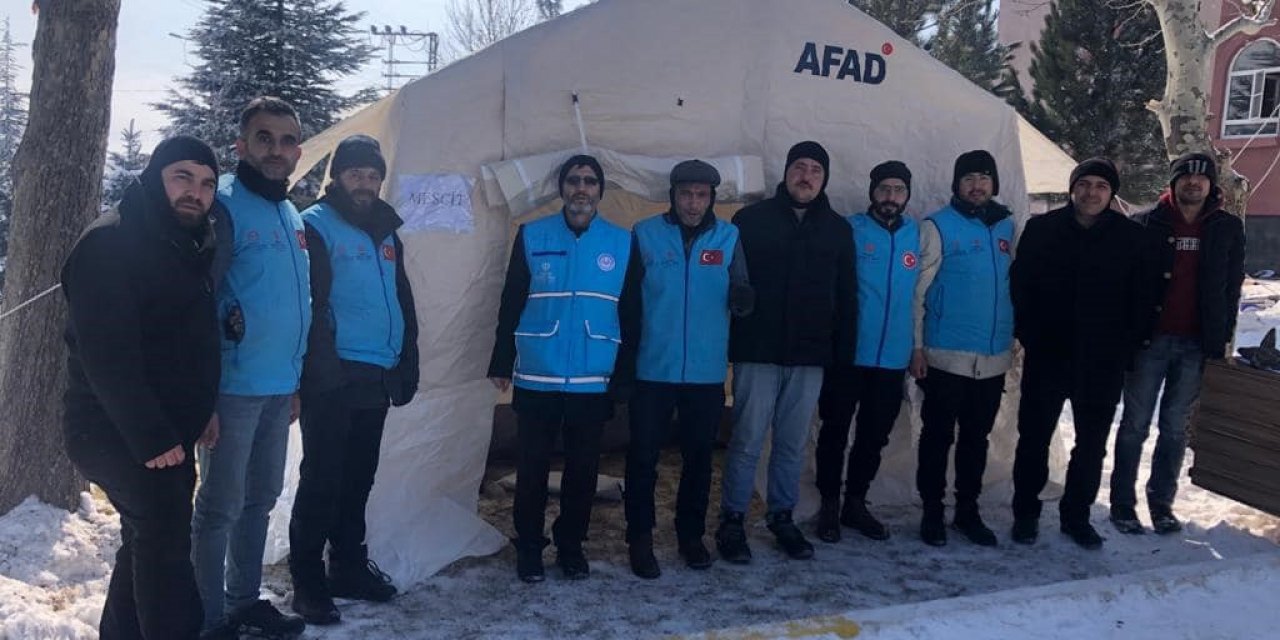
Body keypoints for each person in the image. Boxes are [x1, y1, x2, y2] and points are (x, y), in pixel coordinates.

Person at [61, 136, 222, 640]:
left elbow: (186, 340)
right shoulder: (111, 242)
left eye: (207, 183)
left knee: (146, 541)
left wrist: (202, 411)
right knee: (164, 545)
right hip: (116, 429)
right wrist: (152, 435)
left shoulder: (185, 240)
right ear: (156, 178)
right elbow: (107, 356)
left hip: (168, 429)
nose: (195, 192)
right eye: (183, 177)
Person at [190, 96, 310, 639]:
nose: (276, 150)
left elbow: (296, 301)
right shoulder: (225, 205)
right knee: (219, 507)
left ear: (299, 151)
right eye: (264, 138)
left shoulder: (289, 211)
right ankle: (207, 617)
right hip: (231, 389)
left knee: (259, 502)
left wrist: (296, 382)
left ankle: (242, 602)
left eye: (286, 141)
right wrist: (202, 394)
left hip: (279, 386)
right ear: (241, 146)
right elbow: (196, 296)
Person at [487, 154, 636, 583]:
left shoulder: (621, 242)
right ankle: (530, 547)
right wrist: (501, 360)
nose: (582, 189)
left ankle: (571, 546)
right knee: (532, 469)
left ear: (600, 191)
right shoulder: (532, 235)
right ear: (562, 188)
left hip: (594, 377)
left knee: (583, 472)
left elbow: (632, 311)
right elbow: (511, 299)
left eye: (590, 181)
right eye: (574, 181)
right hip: (538, 373)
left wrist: (624, 375)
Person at [289, 135, 419, 623]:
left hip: (377, 374)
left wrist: (407, 362)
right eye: (355, 175)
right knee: (322, 478)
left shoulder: (386, 230)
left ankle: (346, 564)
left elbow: (402, 301)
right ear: (337, 177)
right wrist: (322, 374)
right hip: (335, 375)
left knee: (359, 477)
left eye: (372, 176)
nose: (364, 184)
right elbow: (312, 307)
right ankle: (307, 579)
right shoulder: (317, 227)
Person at [716, 141, 857, 563]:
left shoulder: (837, 229)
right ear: (787, 171)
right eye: (800, 166)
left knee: (792, 444)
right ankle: (732, 520)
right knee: (745, 440)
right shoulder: (750, 220)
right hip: (758, 350)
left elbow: (846, 296)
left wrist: (843, 356)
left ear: (824, 178)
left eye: (816, 169)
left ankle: (782, 515)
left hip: (810, 355)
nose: (807, 175)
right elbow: (730, 284)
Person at [619, 160, 753, 579]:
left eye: (701, 195)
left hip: (706, 373)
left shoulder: (729, 236)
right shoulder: (645, 234)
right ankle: (639, 539)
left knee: (698, 460)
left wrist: (743, 298)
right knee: (642, 459)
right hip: (652, 371)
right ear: (672, 196)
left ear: (712, 198)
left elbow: (742, 286)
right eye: (685, 194)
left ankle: (690, 536)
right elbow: (627, 301)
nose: (693, 203)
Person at [1009, 158, 1146, 549]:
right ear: (1073, 189)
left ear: (1111, 193)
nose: (1091, 192)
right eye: (1083, 184)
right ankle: (1026, 513)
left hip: (1102, 361)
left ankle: (1076, 515)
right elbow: (1022, 287)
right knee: (1033, 438)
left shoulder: (1131, 237)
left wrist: (1126, 348)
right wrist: (1030, 335)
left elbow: (1143, 297)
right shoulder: (1042, 229)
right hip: (1049, 354)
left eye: (1101, 186)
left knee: (1091, 444)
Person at [1109, 152, 1245, 535]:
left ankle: (1162, 503)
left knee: (1173, 428)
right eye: (1186, 176)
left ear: (1212, 185)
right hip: (1149, 341)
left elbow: (1230, 288)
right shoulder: (1145, 223)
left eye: (1202, 179)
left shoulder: (1227, 228)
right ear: (1173, 181)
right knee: (1134, 424)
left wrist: (1220, 341)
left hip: (1195, 345)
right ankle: (1122, 504)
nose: (1194, 183)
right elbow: (1125, 288)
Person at [912, 150, 1015, 548]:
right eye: (969, 178)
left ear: (994, 184)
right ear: (956, 184)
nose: (977, 186)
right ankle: (932, 511)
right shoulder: (937, 226)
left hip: (991, 358)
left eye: (984, 178)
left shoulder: (1007, 227)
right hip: (945, 355)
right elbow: (917, 293)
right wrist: (917, 347)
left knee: (977, 438)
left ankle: (967, 511)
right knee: (938, 437)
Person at [814, 160, 918, 543]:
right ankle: (828, 502)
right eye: (885, 189)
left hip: (892, 357)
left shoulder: (917, 234)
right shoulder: (850, 230)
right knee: (835, 430)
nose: (891, 197)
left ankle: (855, 502)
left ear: (907, 195)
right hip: (849, 354)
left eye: (899, 190)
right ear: (872, 191)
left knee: (875, 435)